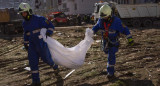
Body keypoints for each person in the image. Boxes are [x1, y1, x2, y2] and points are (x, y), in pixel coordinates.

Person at [18, 2, 59, 86]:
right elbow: (26, 34)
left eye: (24, 12)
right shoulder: (24, 23)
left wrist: (49, 32)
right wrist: (25, 43)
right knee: (32, 62)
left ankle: (54, 65)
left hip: (41, 44)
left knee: (47, 59)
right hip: (32, 45)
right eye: (22, 13)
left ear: (29, 11)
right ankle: (36, 81)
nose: (23, 15)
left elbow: (50, 25)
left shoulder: (39, 19)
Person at [92, 4, 134, 80]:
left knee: (111, 56)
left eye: (105, 17)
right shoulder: (101, 20)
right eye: (103, 17)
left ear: (110, 15)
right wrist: (90, 33)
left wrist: (130, 39)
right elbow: (96, 27)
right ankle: (110, 68)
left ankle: (110, 72)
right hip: (105, 41)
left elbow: (125, 29)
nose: (104, 18)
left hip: (113, 41)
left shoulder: (116, 21)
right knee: (107, 52)